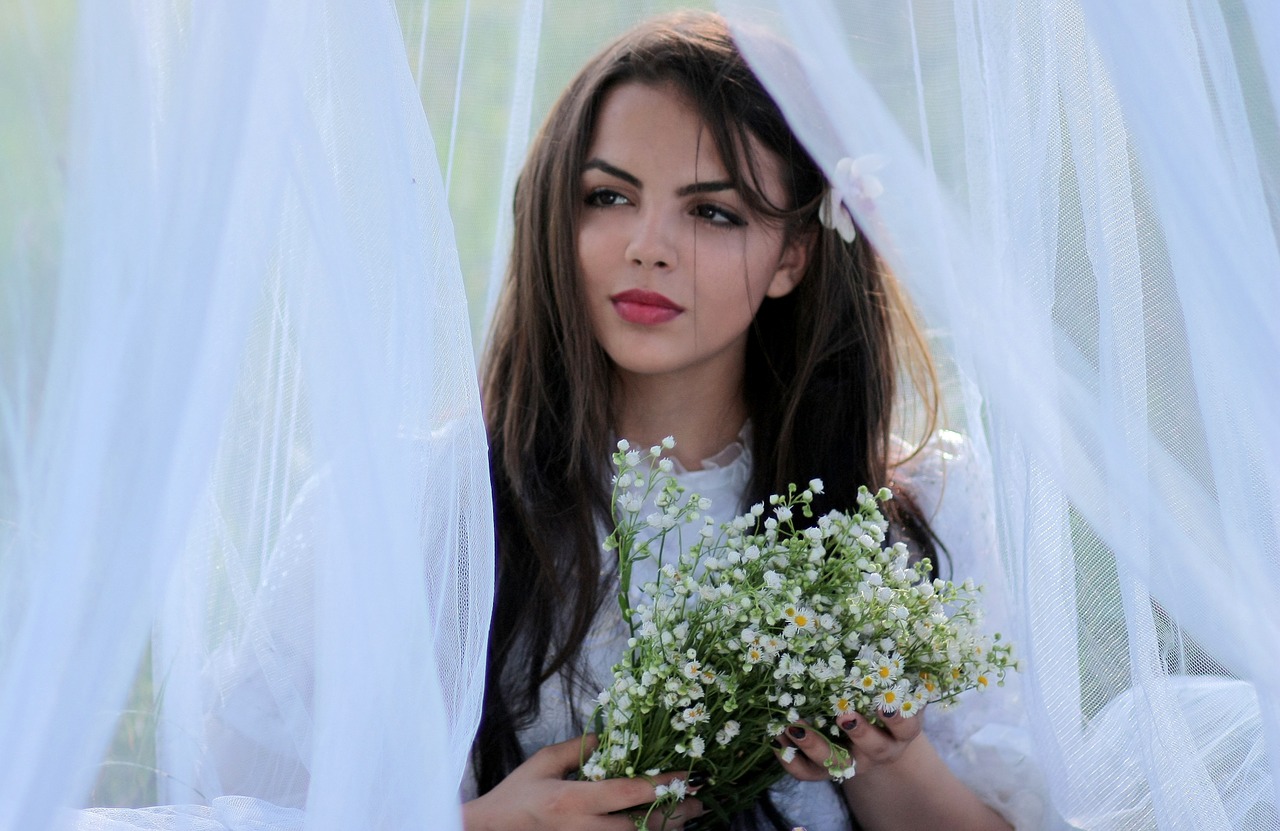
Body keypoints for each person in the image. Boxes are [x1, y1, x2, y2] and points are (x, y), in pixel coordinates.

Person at [466, 10, 1050, 831]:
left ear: (792, 257)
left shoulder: (916, 504)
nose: (648, 245)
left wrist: (886, 759)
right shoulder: (426, 507)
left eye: (713, 212)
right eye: (607, 196)